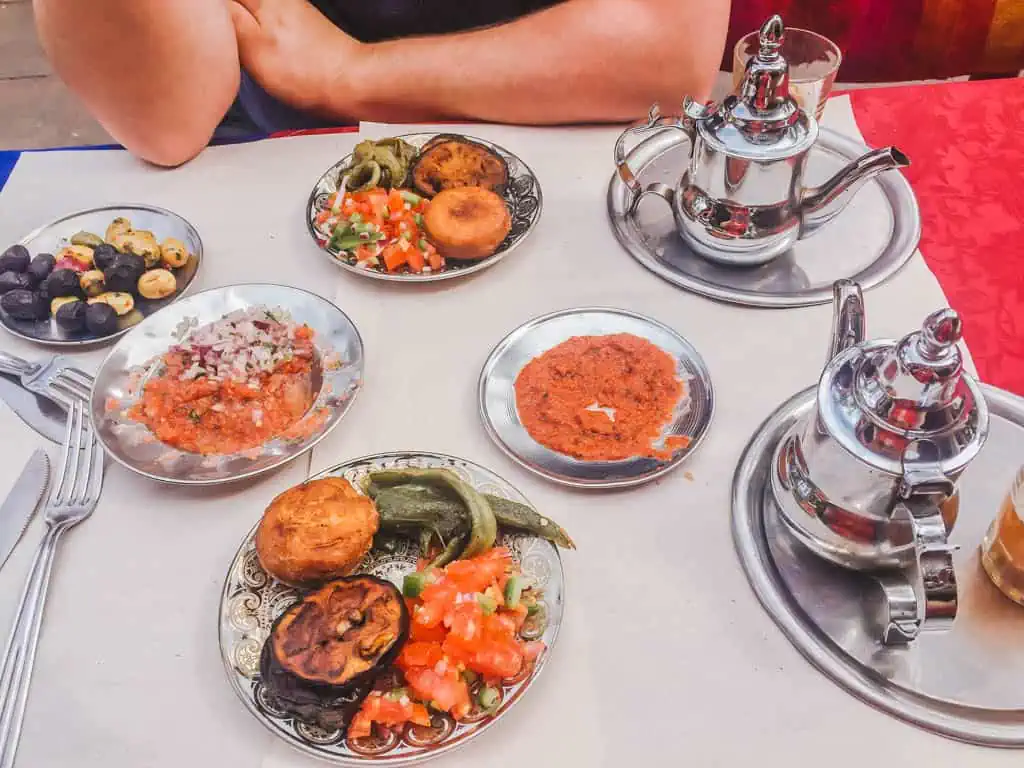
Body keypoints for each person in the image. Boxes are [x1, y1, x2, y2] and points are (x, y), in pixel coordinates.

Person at [33, 0, 730, 166]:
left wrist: (347, 74)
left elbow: (665, 58)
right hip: (279, 158)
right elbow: (168, 120)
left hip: (573, 141)